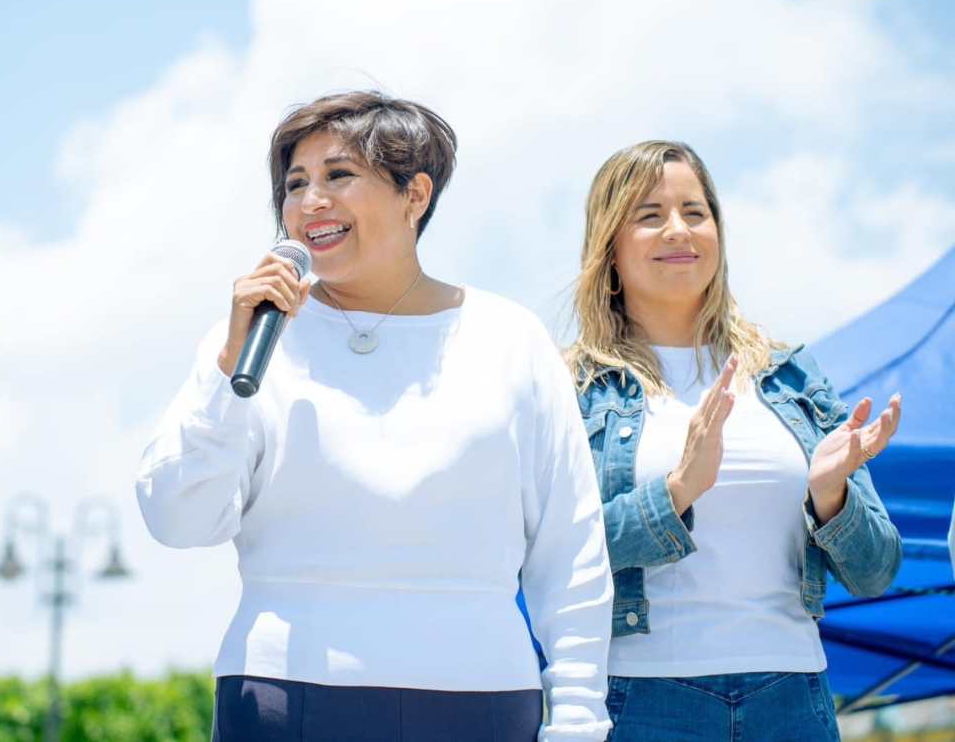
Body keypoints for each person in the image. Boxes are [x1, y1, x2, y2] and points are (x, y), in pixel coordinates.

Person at [136, 91, 614, 741]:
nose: (310, 202)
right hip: (284, 696)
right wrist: (227, 372)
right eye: (294, 184)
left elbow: (572, 545)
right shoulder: (252, 338)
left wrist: (580, 717)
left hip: (480, 698)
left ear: (415, 195)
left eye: (338, 176)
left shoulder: (510, 338)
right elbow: (177, 517)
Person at [565, 140, 902, 741]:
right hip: (643, 704)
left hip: (793, 699)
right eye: (650, 215)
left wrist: (831, 496)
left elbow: (876, 573)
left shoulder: (791, 376)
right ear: (609, 247)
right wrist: (674, 493)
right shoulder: (575, 388)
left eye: (695, 212)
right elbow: (553, 554)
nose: (679, 230)